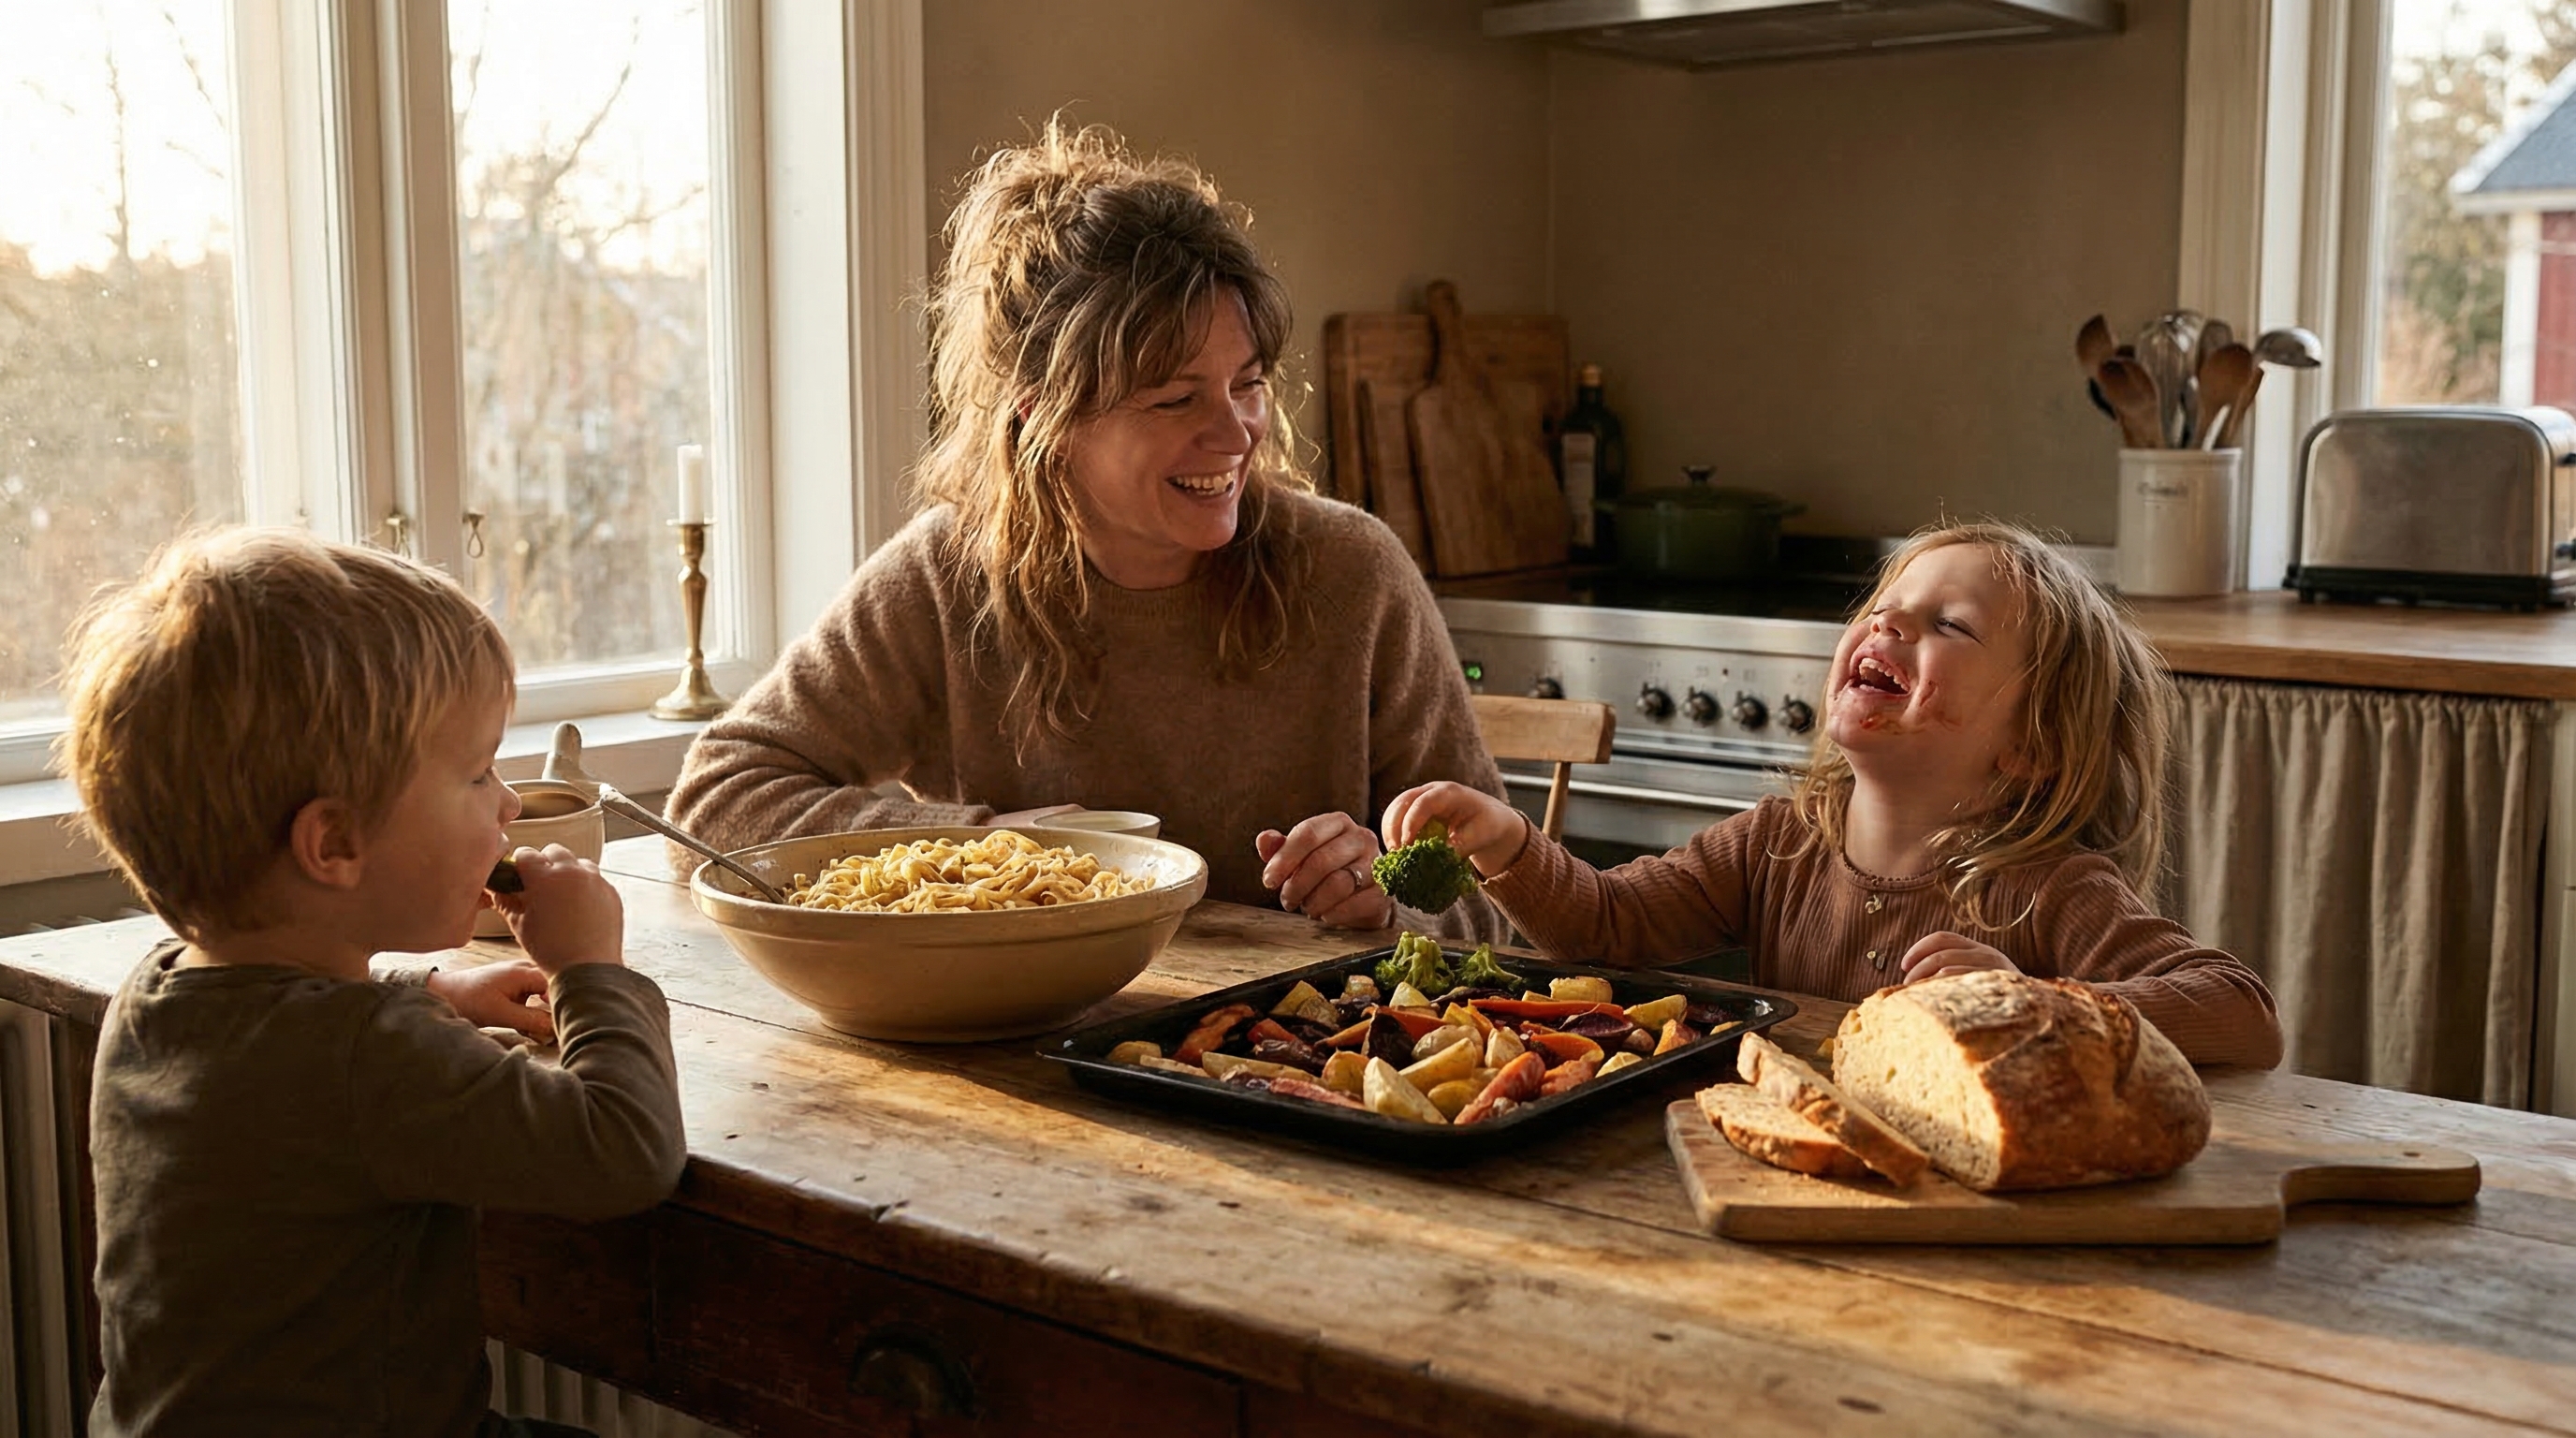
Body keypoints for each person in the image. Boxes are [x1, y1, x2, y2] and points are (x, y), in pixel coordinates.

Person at [666, 120, 1508, 939]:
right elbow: (717, 795)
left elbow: (1506, 898)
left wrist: (1387, 903)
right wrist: (980, 847)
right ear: (1046, 417)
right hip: (1014, 1049)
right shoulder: (948, 575)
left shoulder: (1353, 573)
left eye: (1246, 385)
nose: (1237, 432)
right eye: (1177, 399)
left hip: (1290, 1059)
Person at [57, 528, 689, 1438]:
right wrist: (590, 967)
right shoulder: (373, 1059)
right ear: (335, 845)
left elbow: (301, 1045)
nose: (509, 804)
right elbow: (625, 1152)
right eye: (476, 773)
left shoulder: (157, 997)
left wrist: (433, 991)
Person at [1380, 521, 2283, 1068]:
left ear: (2033, 745)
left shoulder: (2053, 888)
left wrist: (2042, 1002)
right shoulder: (1777, 845)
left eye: (1949, 625)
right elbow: (1609, 925)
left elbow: (2243, 1013)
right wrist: (1506, 841)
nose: (1889, 622)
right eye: (1888, 604)